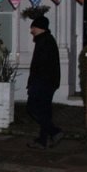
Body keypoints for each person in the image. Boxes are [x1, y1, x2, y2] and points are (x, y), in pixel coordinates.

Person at [26, 16, 63, 149]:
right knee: (44, 111)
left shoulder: (44, 42)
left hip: (43, 83)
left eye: (33, 27)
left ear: (39, 27)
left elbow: (39, 66)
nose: (31, 30)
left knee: (32, 108)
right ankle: (42, 140)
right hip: (48, 82)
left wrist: (33, 84)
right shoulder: (46, 40)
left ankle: (54, 131)